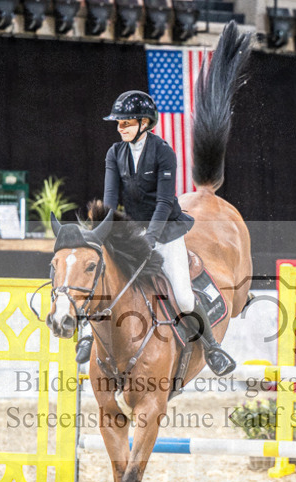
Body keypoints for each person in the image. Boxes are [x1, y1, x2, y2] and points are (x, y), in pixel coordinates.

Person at [95, 89, 235, 376]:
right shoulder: (114, 153)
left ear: (144, 123)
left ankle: (212, 347)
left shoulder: (163, 152)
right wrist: (101, 234)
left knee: (182, 297)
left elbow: (163, 201)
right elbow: (110, 200)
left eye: (126, 123)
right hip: (132, 232)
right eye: (119, 123)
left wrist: (151, 237)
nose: (120, 127)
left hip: (166, 230)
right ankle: (87, 339)